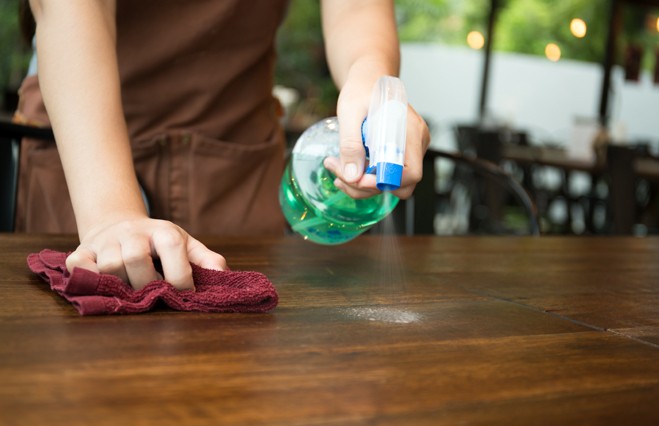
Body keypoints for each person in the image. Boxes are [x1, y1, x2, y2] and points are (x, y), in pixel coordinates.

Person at [16, 0, 430, 291]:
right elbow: (65, 8)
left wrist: (375, 84)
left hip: (235, 162)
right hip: (87, 150)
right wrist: (109, 214)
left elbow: (357, 8)